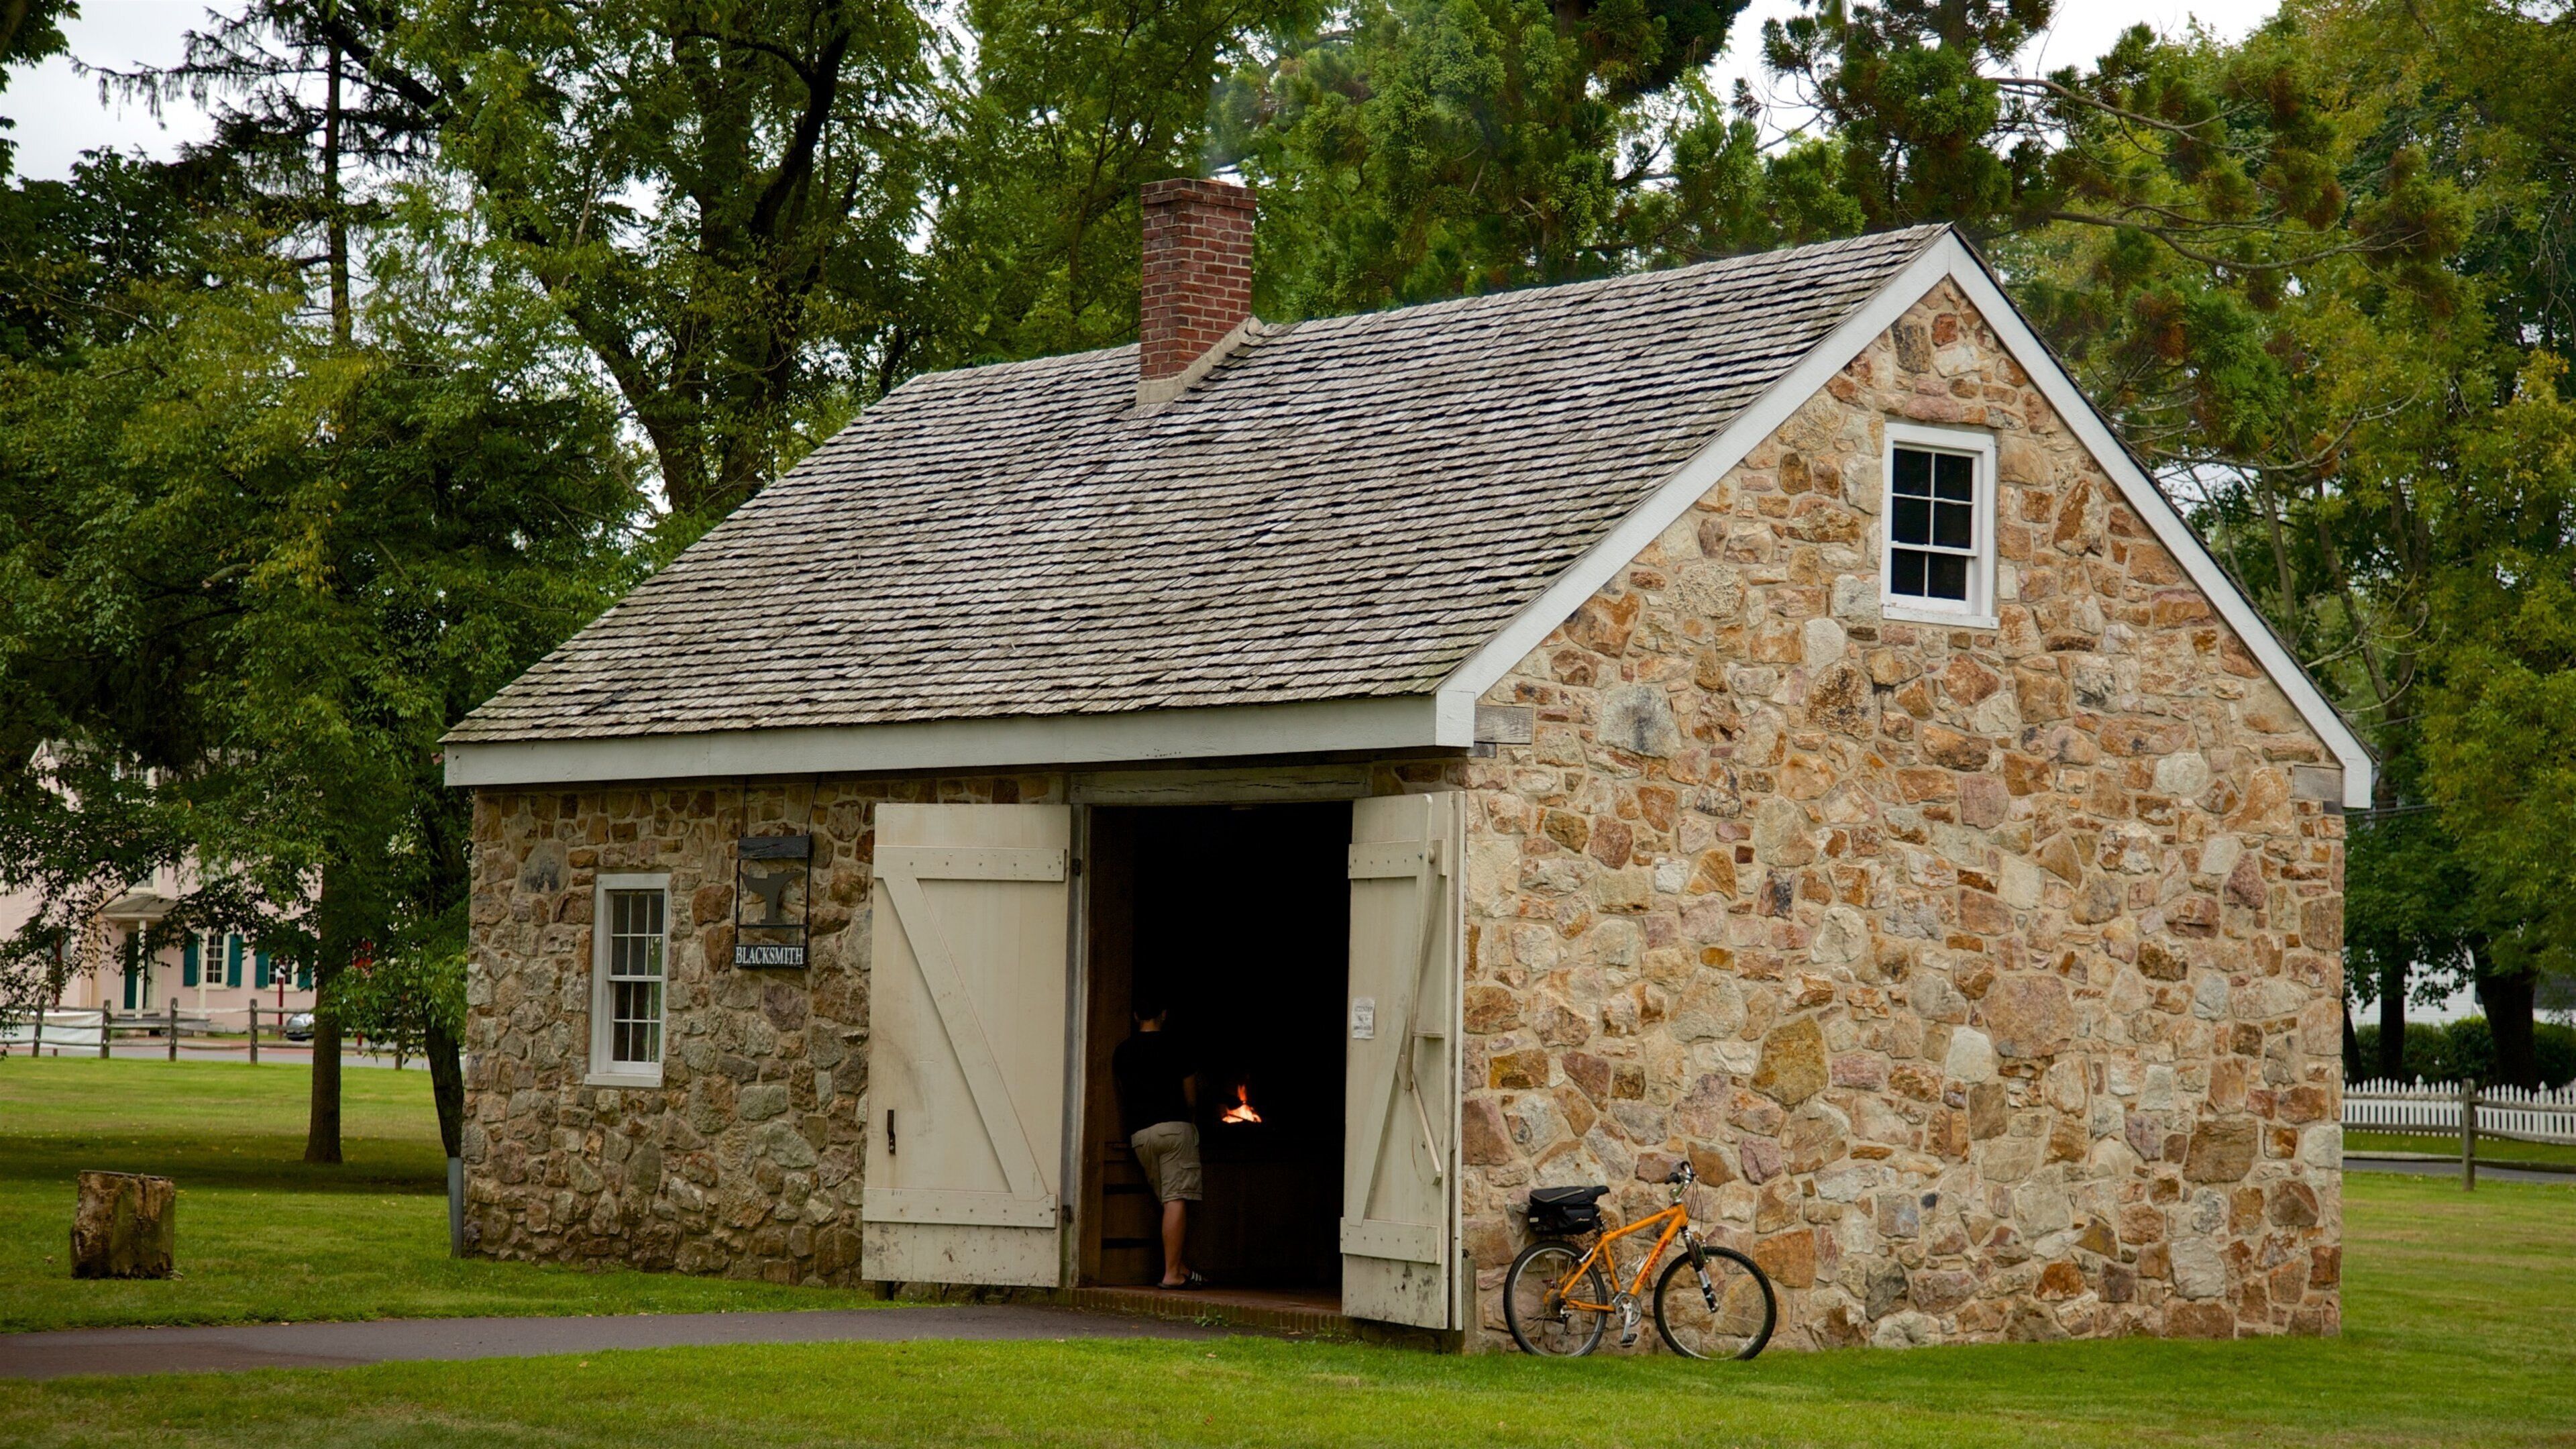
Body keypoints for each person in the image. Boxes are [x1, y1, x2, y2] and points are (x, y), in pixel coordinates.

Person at [1113, 994, 1203, 1289]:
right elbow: (1191, 1099)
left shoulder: (1122, 1052)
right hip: (1175, 1130)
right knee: (1175, 1199)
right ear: (1163, 1015)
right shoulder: (1178, 1047)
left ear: (1136, 1016)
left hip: (1141, 1135)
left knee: (1166, 1199)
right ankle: (1172, 1274)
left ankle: (1180, 1267)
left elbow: (1125, 1095)